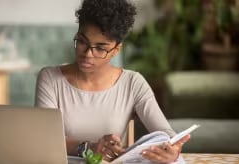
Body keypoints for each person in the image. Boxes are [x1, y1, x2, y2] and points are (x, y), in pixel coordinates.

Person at [35, 0, 190, 163]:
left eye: (100, 48)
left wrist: (173, 149)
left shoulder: (133, 83)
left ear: (116, 50)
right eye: (82, 42)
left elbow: (165, 132)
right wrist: (90, 148)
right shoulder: (50, 78)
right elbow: (45, 139)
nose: (88, 54)